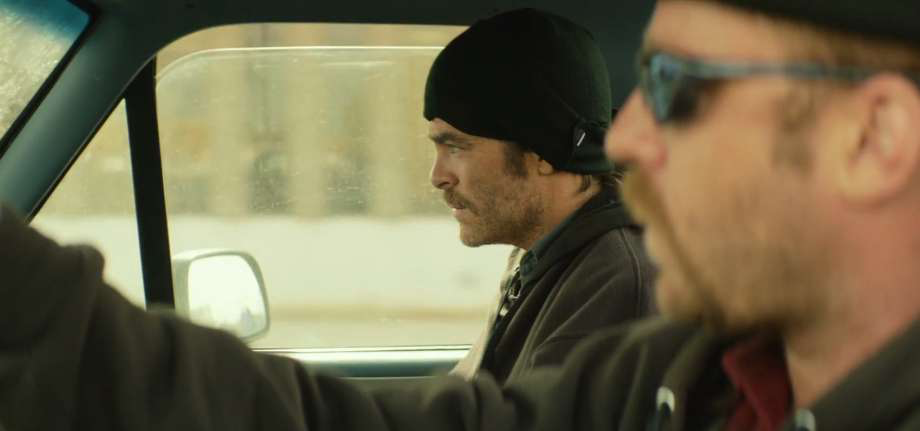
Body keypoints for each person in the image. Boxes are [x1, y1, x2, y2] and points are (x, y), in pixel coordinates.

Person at [3, 1, 920, 430]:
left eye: (678, 85)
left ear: (874, 137)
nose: (630, 136)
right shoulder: (680, 377)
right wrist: (38, 307)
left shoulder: (628, 294)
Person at [423, 8, 654, 381]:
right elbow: (473, 399)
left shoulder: (615, 283)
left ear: (542, 154)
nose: (438, 177)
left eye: (457, 147)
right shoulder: (541, 252)